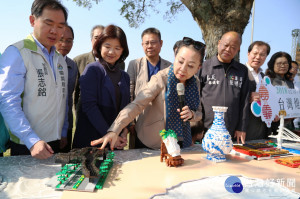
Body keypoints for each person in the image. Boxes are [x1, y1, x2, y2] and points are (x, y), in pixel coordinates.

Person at [91, 37, 205, 150]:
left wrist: (191, 115)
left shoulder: (195, 83)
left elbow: (199, 113)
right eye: (180, 61)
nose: (183, 69)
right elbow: (137, 105)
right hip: (152, 142)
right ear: (175, 57)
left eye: (190, 66)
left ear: (198, 68)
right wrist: (114, 130)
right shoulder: (161, 78)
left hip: (181, 140)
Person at [0, 0, 68, 159]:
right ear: (32, 20)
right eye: (48, 23)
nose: (54, 31)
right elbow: (8, 100)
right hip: (27, 145)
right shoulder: (17, 52)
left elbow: (62, 99)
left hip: (55, 141)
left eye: (60, 26)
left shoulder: (60, 59)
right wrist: (31, 140)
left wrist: (63, 132)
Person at [72, 25, 130, 149]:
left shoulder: (125, 76)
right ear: (99, 46)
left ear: (123, 50)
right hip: (92, 139)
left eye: (117, 48)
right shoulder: (92, 69)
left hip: (115, 140)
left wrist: (124, 131)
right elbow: (89, 106)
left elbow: (126, 108)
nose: (111, 52)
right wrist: (109, 133)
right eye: (107, 46)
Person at [199, 31, 250, 144]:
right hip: (205, 130)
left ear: (238, 50)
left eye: (233, 47)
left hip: (231, 131)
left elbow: (245, 101)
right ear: (218, 43)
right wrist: (197, 126)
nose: (228, 50)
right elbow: (196, 97)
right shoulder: (204, 67)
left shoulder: (242, 70)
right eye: (226, 45)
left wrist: (241, 127)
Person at [126, 27, 172, 148]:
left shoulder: (170, 67)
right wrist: (131, 121)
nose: (149, 46)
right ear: (142, 45)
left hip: (162, 123)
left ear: (161, 43)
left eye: (153, 42)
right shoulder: (134, 64)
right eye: (146, 43)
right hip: (140, 120)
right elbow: (129, 94)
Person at [55, 25, 78, 152]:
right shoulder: (45, 61)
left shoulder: (72, 65)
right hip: (47, 125)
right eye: (61, 39)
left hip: (66, 123)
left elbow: (69, 95)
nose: (64, 44)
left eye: (69, 41)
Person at [245, 41, 271, 140]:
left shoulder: (265, 78)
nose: (258, 57)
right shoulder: (239, 73)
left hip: (261, 128)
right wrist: (248, 96)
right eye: (255, 53)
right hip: (244, 127)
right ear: (248, 54)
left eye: (262, 55)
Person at [266, 52, 294, 133]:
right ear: (272, 65)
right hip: (273, 125)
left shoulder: (290, 82)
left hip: (288, 125)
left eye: (285, 63)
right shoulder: (268, 81)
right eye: (279, 63)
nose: (282, 66)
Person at [291, 61, 300, 130]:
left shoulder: (297, 81)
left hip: (295, 121)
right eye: (292, 68)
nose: (294, 70)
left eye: (296, 69)